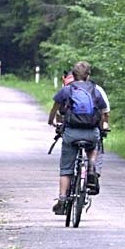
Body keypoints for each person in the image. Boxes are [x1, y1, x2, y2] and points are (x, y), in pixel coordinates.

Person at [48, 61, 108, 215]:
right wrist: (101, 128)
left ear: (73, 75)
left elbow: (55, 109)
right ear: (88, 75)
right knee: (94, 147)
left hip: (71, 132)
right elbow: (102, 113)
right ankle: (91, 166)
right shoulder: (96, 91)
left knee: (66, 169)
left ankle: (62, 199)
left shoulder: (67, 90)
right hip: (90, 132)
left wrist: (51, 121)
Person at [61, 70, 111, 178]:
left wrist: (58, 124)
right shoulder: (97, 89)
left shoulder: (67, 88)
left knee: (67, 164)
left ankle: (64, 193)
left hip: (72, 129)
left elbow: (59, 110)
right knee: (97, 146)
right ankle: (94, 170)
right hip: (92, 128)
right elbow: (105, 113)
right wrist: (104, 126)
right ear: (88, 76)